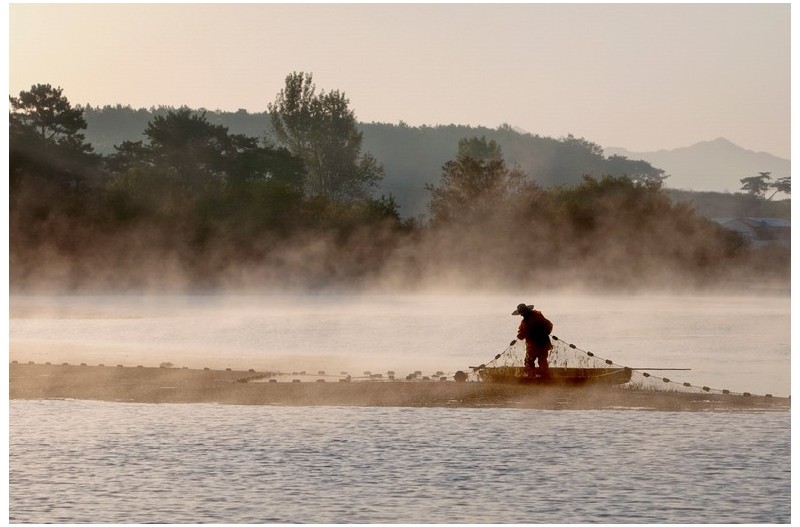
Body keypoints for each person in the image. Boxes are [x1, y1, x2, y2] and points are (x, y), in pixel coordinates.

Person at [512, 303, 553, 377]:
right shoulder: (535, 316)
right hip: (542, 344)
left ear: (526, 312)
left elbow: (522, 335)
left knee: (529, 361)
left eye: (522, 313)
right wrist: (546, 332)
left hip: (536, 345)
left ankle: (532, 377)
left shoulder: (530, 319)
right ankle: (543, 377)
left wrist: (521, 335)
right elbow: (549, 325)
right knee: (542, 361)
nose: (521, 315)